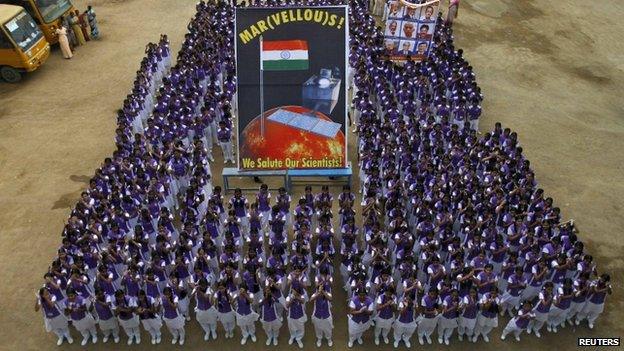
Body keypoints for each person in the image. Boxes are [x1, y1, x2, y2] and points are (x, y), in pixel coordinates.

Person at [310, 282, 333, 347]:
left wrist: (323, 292)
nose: (321, 290)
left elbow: (330, 299)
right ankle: (319, 339)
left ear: (324, 289)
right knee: (318, 329)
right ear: (317, 290)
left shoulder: (328, 294)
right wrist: (318, 293)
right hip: (317, 316)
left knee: (328, 329)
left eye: (323, 289)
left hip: (327, 316)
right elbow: (311, 300)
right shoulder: (315, 294)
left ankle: (329, 339)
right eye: (319, 289)